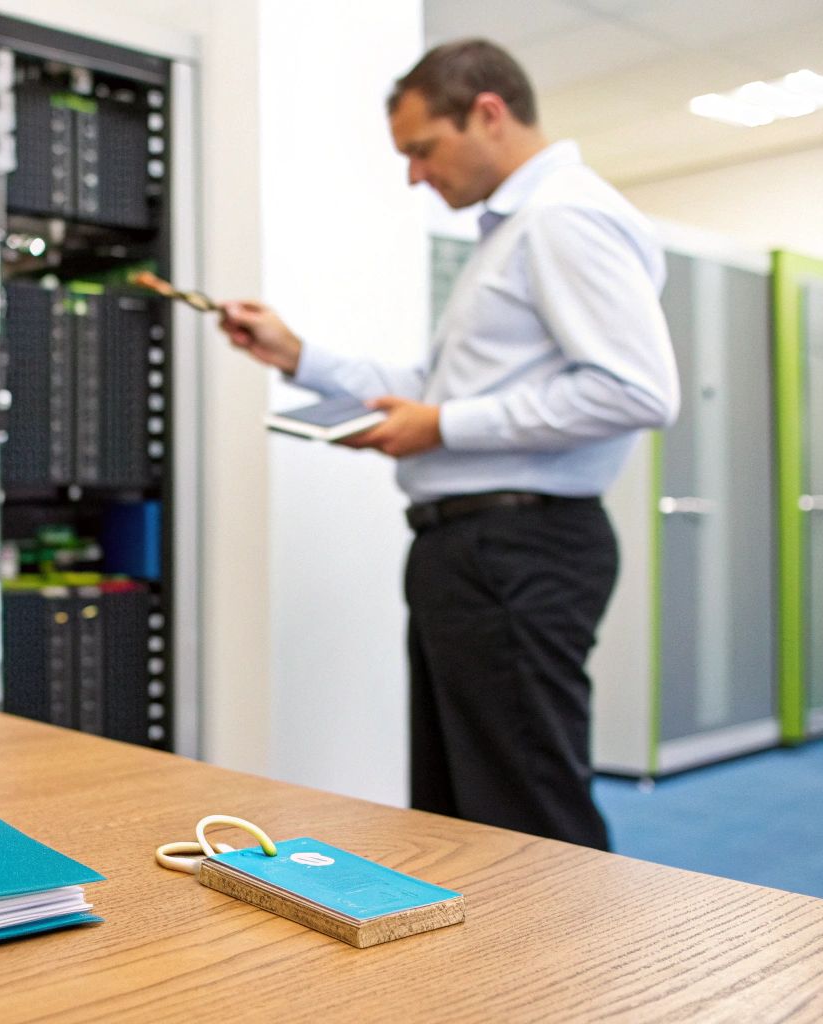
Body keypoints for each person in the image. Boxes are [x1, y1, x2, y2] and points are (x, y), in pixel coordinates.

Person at [218, 39, 678, 850]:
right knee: (463, 807)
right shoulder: (511, 232)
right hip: (472, 550)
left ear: (488, 113)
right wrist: (298, 356)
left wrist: (443, 427)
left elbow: (637, 390)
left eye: (422, 150)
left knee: (525, 810)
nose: (414, 177)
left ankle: (566, 976)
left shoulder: (564, 216)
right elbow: (436, 382)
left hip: (518, 548)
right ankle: (491, 977)